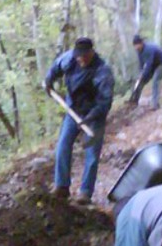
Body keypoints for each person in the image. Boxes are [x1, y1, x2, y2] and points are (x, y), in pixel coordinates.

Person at [44, 37, 115, 204]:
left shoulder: (103, 72)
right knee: (63, 145)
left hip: (94, 115)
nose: (80, 59)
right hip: (73, 109)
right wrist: (49, 80)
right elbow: (55, 67)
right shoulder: (69, 59)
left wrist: (90, 117)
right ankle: (62, 186)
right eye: (78, 56)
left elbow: (105, 102)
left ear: (91, 53)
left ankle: (85, 192)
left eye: (84, 56)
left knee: (92, 153)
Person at [128, 35, 162, 110]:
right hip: (153, 65)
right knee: (140, 82)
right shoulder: (139, 51)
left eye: (137, 45)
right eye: (135, 46)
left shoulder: (148, 49)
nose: (136, 47)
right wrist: (140, 75)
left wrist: (143, 75)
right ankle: (134, 101)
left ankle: (155, 104)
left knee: (155, 80)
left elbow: (148, 64)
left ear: (141, 43)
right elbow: (141, 64)